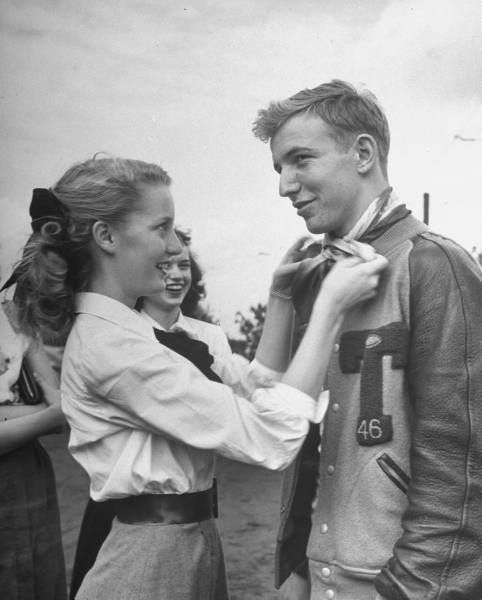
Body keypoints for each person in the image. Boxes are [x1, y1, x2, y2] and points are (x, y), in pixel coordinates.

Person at [13, 157, 386, 600]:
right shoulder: (110, 346)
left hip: (185, 545)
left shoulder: (134, 332)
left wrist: (282, 299)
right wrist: (330, 309)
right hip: (149, 561)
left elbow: (244, 391)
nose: (174, 246)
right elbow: (270, 438)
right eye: (162, 227)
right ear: (107, 236)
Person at [252, 79, 482, 600]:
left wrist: (408, 591)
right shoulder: (314, 279)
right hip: (318, 578)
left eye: (300, 160)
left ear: (362, 153)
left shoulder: (433, 263)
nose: (285, 186)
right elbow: (310, 442)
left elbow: (464, 473)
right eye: (279, 169)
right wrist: (297, 568)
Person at [68, 228, 217, 599]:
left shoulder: (206, 338)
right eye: (164, 265)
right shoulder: (119, 341)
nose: (176, 275)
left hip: (193, 508)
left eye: (184, 264)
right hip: (135, 508)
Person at [0, 296, 67, 600]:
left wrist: (30, 333)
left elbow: (60, 409)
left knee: (39, 579)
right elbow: (53, 412)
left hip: (30, 472)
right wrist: (42, 413)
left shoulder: (13, 316)